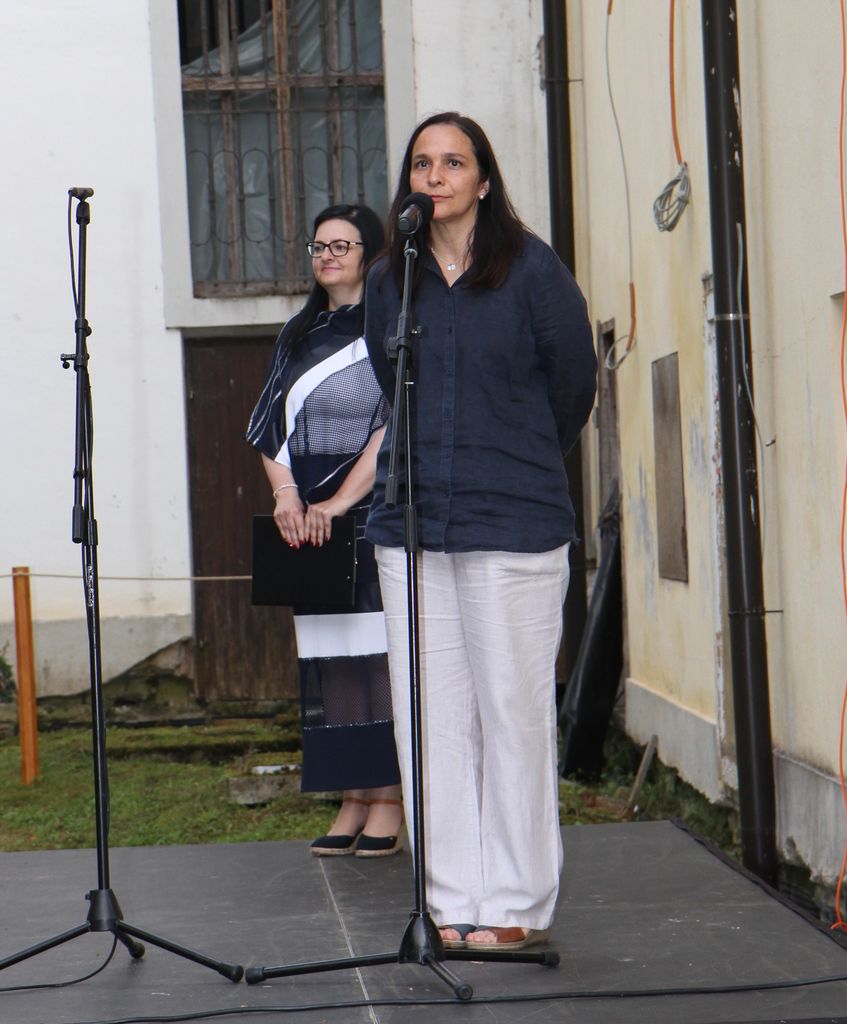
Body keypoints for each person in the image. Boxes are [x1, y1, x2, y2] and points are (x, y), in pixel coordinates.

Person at [364, 113, 597, 947]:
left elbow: (572, 384)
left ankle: (514, 906)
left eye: (453, 162)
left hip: (513, 520)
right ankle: (450, 900)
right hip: (413, 522)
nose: (435, 176)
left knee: (510, 713)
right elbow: (387, 376)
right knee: (430, 719)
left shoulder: (531, 269)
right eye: (422, 163)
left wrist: (512, 454)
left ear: (483, 180)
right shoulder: (392, 276)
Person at [247, 204, 403, 858]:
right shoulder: (298, 333)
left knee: (376, 659)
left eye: (342, 245)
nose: (327, 256)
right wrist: (287, 494)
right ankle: (351, 795)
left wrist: (339, 503)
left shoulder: (391, 328)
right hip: (307, 520)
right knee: (329, 660)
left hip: (370, 512)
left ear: (371, 254)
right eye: (319, 246)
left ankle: (388, 798)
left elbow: (392, 427)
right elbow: (267, 427)